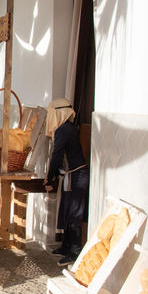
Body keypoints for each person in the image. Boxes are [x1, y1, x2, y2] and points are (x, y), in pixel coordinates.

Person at [43, 98, 89, 266]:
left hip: (78, 176)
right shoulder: (66, 128)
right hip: (73, 175)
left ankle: (74, 252)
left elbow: (56, 155)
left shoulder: (64, 129)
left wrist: (50, 178)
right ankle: (66, 246)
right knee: (67, 210)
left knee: (74, 213)